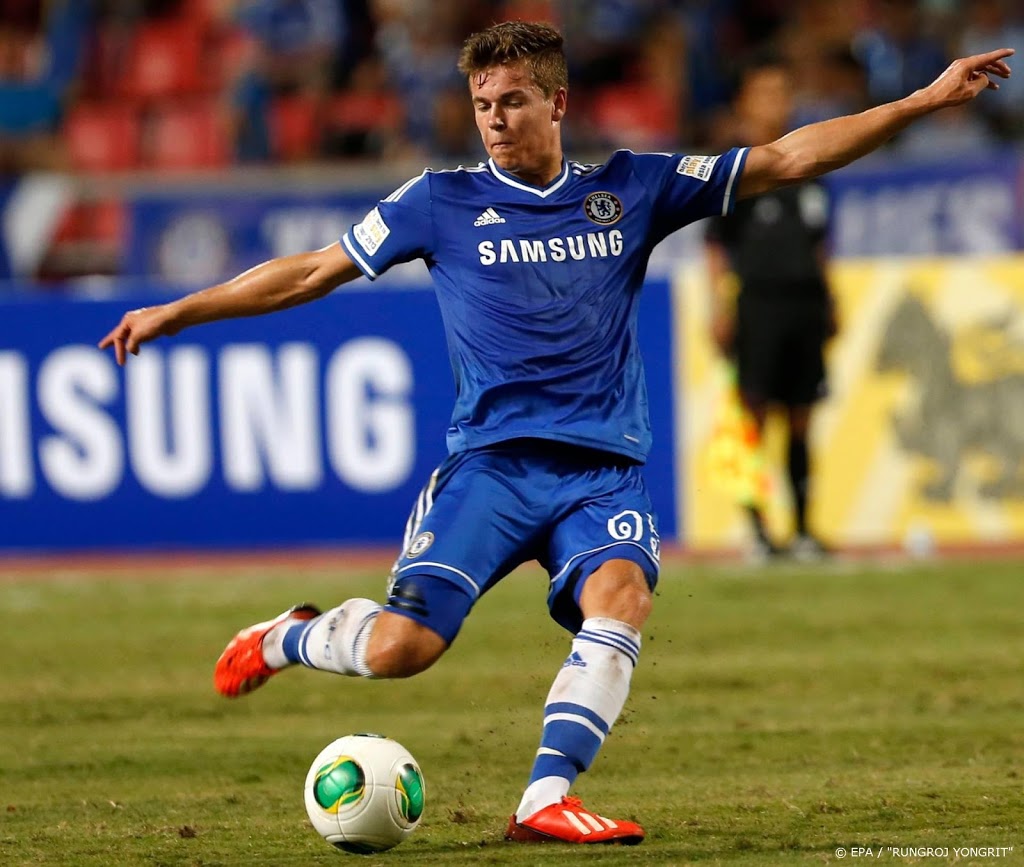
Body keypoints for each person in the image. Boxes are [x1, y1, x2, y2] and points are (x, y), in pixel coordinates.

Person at [98, 22, 1012, 845]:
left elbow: (786, 158)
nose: (494, 120)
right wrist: (182, 310)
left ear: (558, 101)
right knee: (404, 650)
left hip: (602, 471)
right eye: (482, 105)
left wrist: (924, 101)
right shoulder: (438, 200)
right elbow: (310, 270)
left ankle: (544, 796)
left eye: (513, 101)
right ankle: (293, 635)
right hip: (492, 467)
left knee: (622, 595)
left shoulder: (632, 187)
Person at [704, 54, 837, 562]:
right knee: (753, 418)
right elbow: (717, 246)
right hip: (757, 304)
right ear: (744, 103)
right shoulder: (735, 168)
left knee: (802, 417)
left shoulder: (810, 162)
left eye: (783, 92)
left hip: (805, 301)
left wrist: (831, 295)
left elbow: (820, 240)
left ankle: (803, 530)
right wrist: (720, 306)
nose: (777, 103)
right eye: (766, 93)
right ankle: (758, 532)